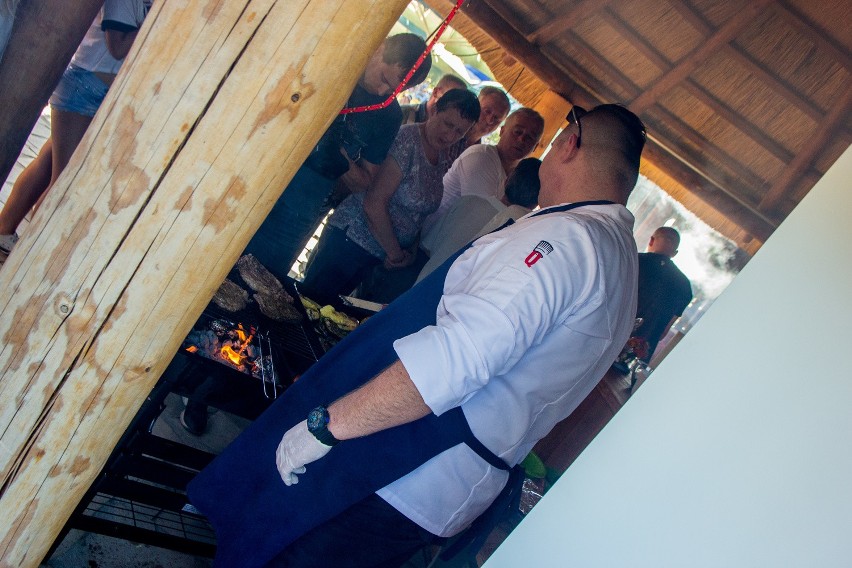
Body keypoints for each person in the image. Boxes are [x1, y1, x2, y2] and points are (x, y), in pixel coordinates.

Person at [188, 103, 647, 568]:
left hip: (405, 470)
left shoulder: (567, 241)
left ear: (570, 144)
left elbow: (458, 358)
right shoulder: (617, 256)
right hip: (440, 480)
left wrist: (326, 426)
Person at [241, 34, 431, 281]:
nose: (383, 91)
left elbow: (365, 182)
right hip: (259, 174)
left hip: (305, 205)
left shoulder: (389, 115)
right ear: (380, 49)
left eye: (394, 89)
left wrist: (335, 147)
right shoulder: (337, 65)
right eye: (384, 78)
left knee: (259, 281)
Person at [0, 0, 151, 265]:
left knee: (47, 166)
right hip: (84, 87)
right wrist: (157, 22)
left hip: (94, 90)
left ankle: (4, 233)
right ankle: (26, 258)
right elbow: (116, 47)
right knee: (62, 182)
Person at [299, 88, 480, 306]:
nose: (450, 136)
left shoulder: (442, 156)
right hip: (350, 243)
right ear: (435, 110)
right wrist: (395, 254)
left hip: (377, 256)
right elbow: (374, 202)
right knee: (308, 306)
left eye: (459, 132)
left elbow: (418, 213)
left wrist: (410, 250)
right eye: (448, 124)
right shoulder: (408, 140)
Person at [417, 157, 541, 282]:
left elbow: (427, 247)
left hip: (420, 284)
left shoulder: (467, 201)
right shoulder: (517, 235)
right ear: (536, 203)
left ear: (506, 180)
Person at [634, 226, 693, 361]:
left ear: (651, 240)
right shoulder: (685, 287)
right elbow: (663, 333)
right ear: (675, 253)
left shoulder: (632, 260)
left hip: (602, 340)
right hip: (635, 357)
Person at [400, 73, 466, 125]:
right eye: (451, 98)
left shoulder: (446, 131)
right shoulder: (404, 113)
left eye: (459, 103)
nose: (455, 105)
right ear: (436, 92)